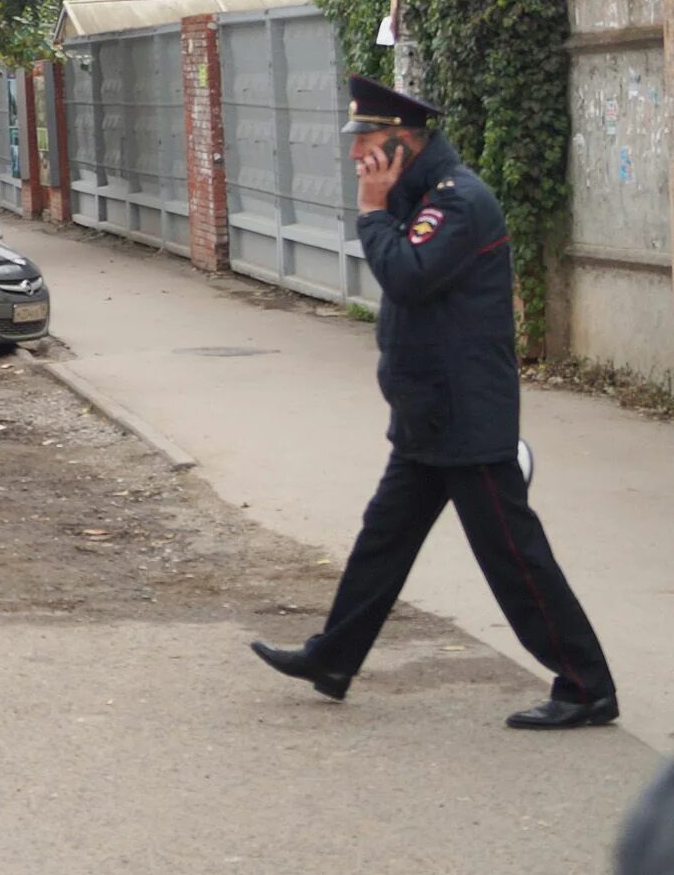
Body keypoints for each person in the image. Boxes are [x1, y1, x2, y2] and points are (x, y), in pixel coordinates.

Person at [251, 75, 617, 729]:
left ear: (405, 144)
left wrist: (370, 208)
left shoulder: (457, 203)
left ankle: (587, 684)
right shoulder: (417, 197)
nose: (356, 153)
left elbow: (408, 276)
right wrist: (382, 205)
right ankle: (335, 658)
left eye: (368, 141)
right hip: (429, 414)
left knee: (513, 556)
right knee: (382, 540)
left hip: (465, 416)